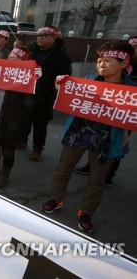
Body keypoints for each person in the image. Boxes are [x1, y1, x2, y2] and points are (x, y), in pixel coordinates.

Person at [41, 41, 135, 233]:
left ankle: (87, 212)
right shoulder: (88, 80)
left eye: (108, 61)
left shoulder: (132, 90)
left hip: (107, 139)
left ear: (123, 63)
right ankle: (56, 198)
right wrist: (61, 85)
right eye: (99, 60)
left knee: (97, 180)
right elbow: (70, 98)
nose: (101, 65)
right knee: (63, 169)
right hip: (79, 133)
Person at [73, 35, 137, 186]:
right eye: (132, 45)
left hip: (122, 114)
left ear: (124, 62)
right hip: (96, 116)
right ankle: (91, 167)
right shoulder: (94, 78)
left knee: (116, 143)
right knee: (93, 144)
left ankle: (108, 174)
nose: (102, 64)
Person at [0, 46, 40, 187]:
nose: (10, 59)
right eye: (10, 57)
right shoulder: (1, 74)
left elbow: (35, 99)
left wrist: (38, 79)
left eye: (14, 58)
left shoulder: (27, 79)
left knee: (7, 150)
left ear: (24, 61)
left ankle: (4, 176)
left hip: (11, 122)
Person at [26, 26, 72, 161]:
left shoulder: (61, 55)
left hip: (45, 94)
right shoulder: (31, 50)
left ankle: (37, 148)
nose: (40, 37)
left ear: (54, 37)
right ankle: (22, 140)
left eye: (45, 35)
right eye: (39, 35)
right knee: (24, 118)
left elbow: (65, 75)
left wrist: (53, 80)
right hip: (27, 91)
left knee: (40, 123)